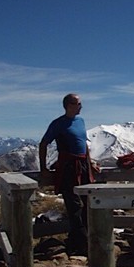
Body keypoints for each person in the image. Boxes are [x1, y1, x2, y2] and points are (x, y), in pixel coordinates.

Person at [39, 93, 98, 256]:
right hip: (68, 168)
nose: (81, 106)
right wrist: (43, 168)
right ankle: (82, 245)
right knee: (74, 206)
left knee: (88, 203)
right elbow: (43, 144)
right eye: (78, 103)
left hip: (83, 166)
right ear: (68, 105)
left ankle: (80, 240)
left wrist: (90, 162)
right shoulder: (58, 124)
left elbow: (83, 144)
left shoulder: (81, 121)